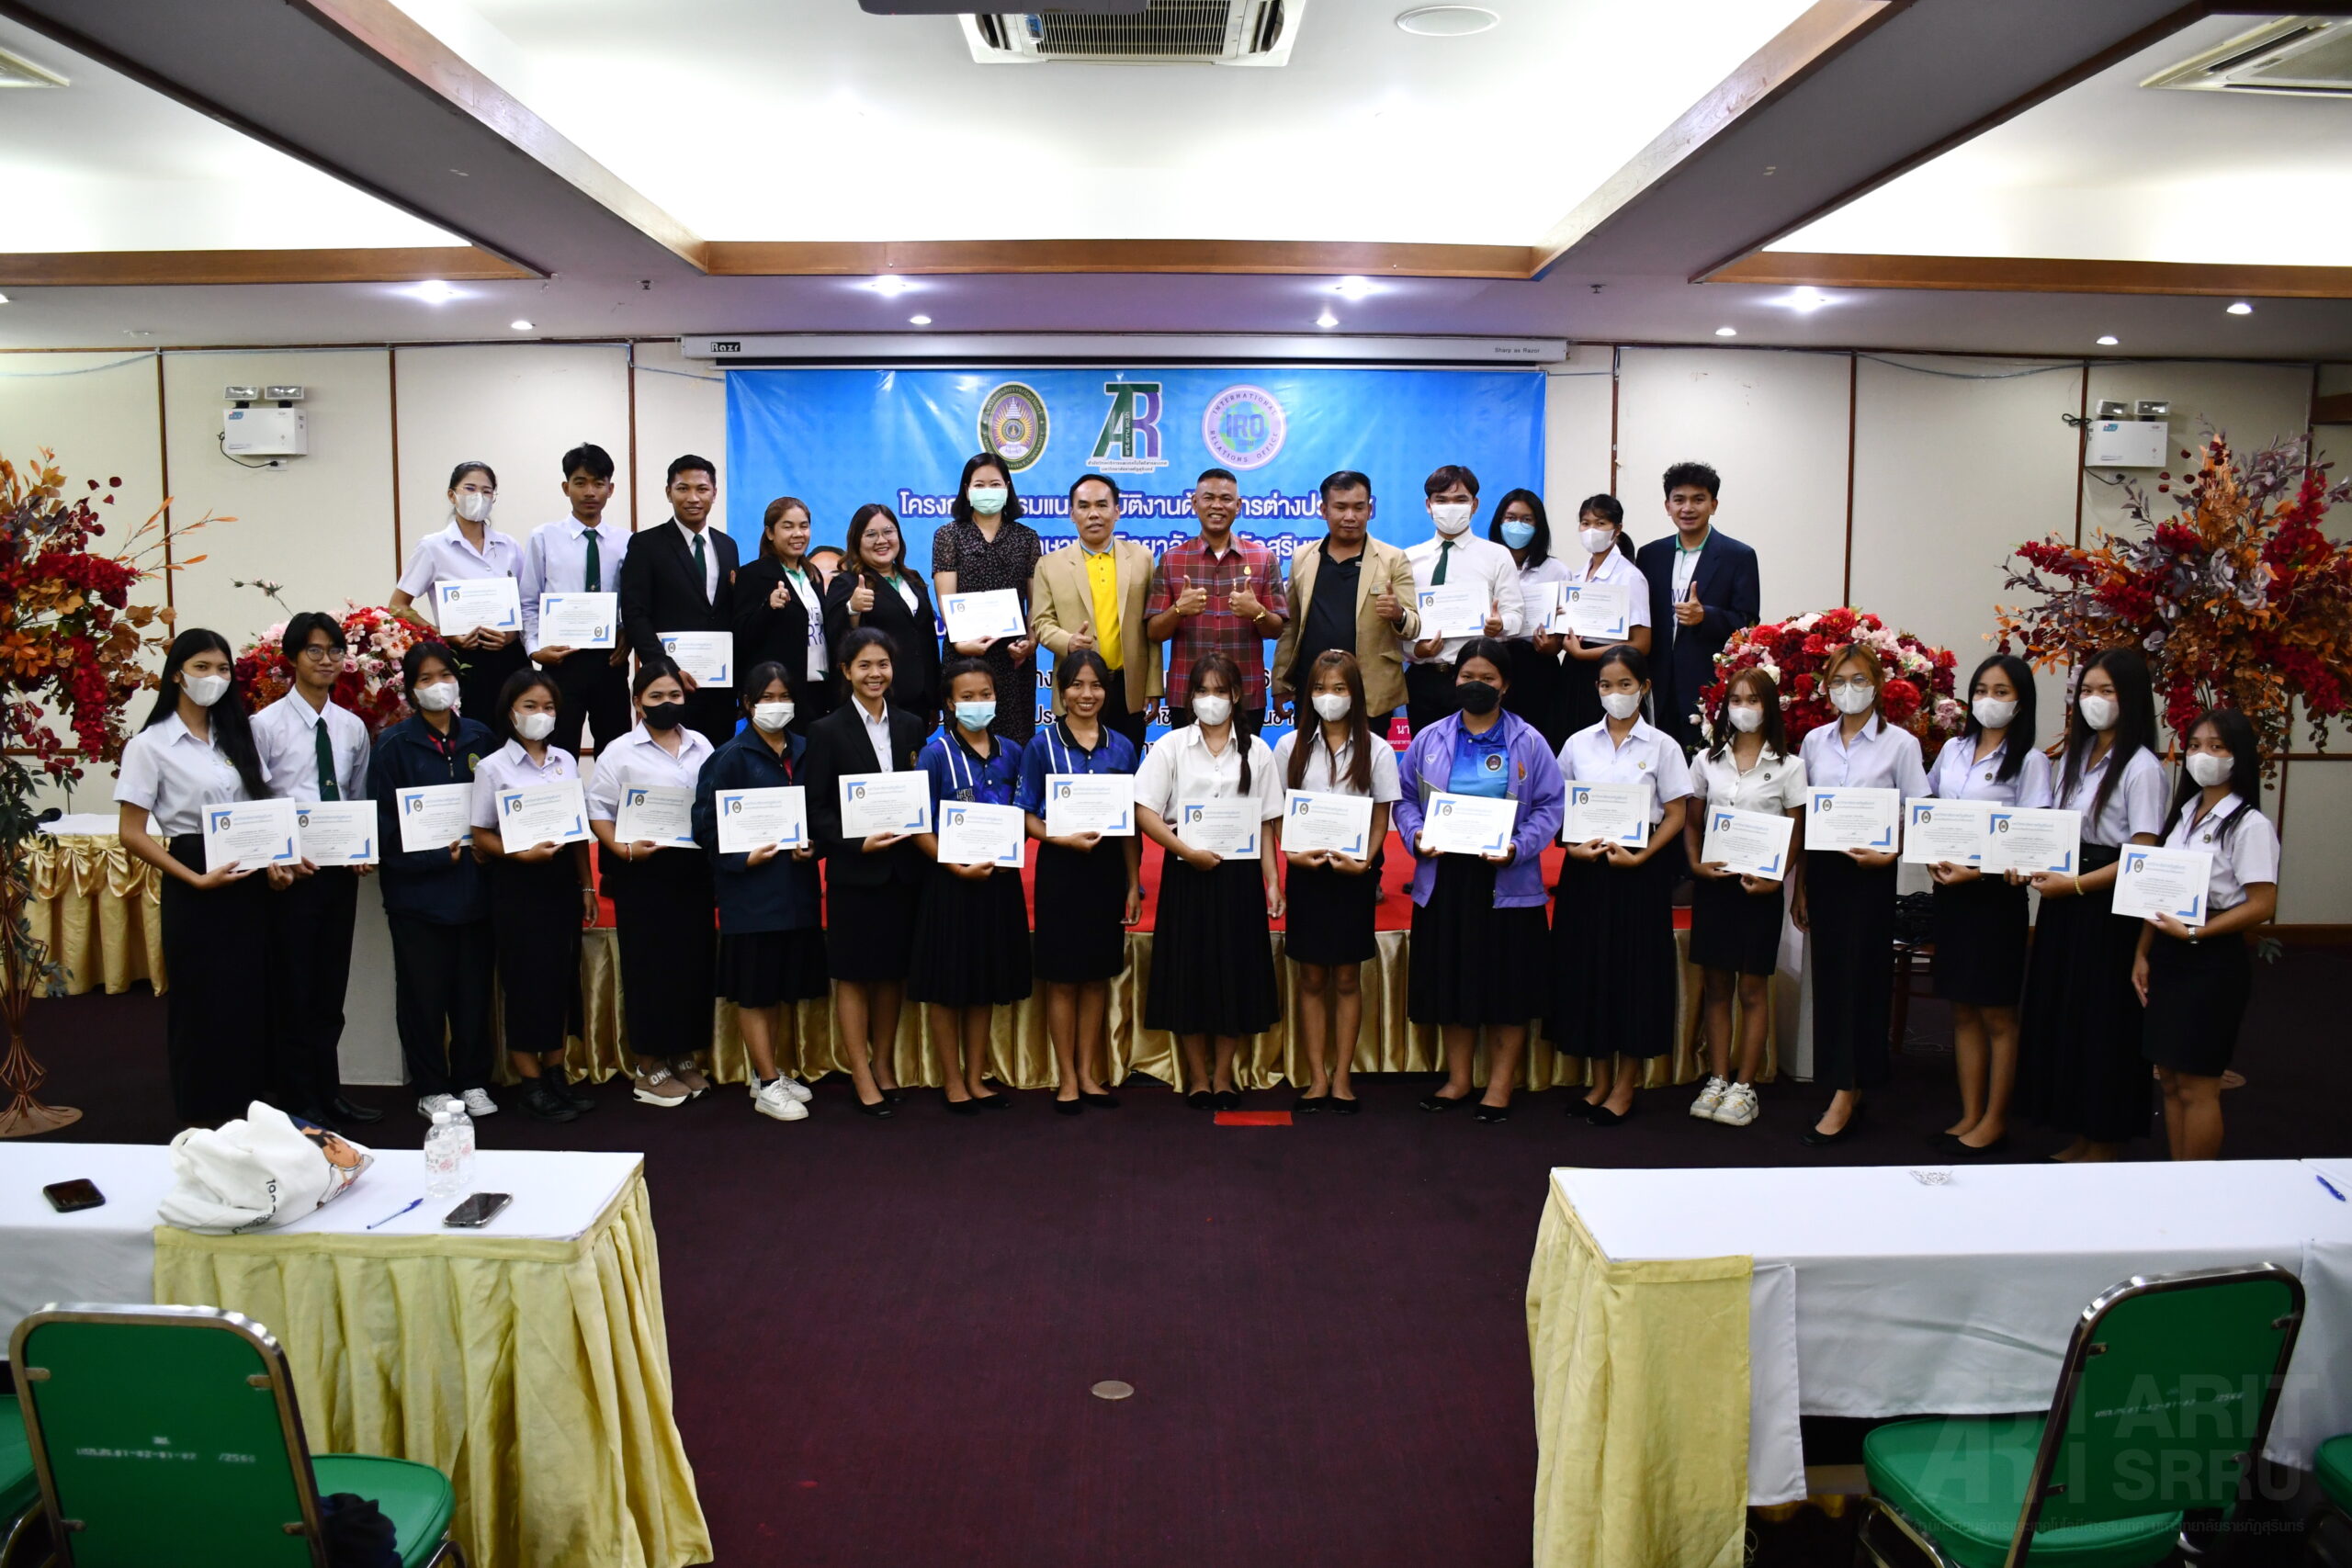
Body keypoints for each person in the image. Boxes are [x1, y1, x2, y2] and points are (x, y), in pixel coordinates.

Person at [114, 628, 283, 1126]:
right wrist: (194, 878)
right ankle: (202, 1114)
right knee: (202, 1000)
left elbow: (261, 808)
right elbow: (131, 833)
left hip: (248, 879)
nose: (214, 677)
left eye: (223, 669)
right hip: (195, 878)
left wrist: (275, 861)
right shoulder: (150, 745)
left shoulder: (237, 735)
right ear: (177, 675)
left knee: (249, 996)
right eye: (202, 667)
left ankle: (248, 1108)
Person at [1392, 639, 1562, 1122]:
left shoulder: (1530, 741)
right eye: (1468, 676)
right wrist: (1416, 835)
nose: (1477, 685)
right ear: (1455, 679)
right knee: (1454, 984)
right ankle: (1459, 1080)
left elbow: (1551, 805)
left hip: (1506, 880)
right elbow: (1404, 799)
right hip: (1446, 878)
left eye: (1488, 678)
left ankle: (1500, 1086)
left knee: (1507, 988)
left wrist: (1518, 847)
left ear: (1505, 685)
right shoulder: (1430, 738)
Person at [2018, 649, 2166, 1161]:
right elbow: (2051, 829)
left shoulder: (2142, 768)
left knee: (2104, 1023)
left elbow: (2142, 856)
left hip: (2107, 908)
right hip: (2065, 900)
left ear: (2132, 698)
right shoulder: (2074, 758)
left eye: (2107, 691)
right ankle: (2080, 1131)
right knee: (2068, 1015)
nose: (2094, 701)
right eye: (2086, 691)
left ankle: (2104, 1140)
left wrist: (2078, 886)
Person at [1792, 642, 1928, 1145]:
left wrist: (1892, 855)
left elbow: (1920, 812)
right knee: (1830, 979)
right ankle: (1840, 1082)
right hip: (1825, 873)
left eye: (1859, 680)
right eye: (1838, 680)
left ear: (1877, 684)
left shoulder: (1901, 745)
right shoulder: (1814, 742)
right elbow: (1806, 818)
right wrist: (1801, 886)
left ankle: (1851, 1089)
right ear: (1826, 688)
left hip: (1870, 874)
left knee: (1864, 978)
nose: (1848, 689)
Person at [1135, 652, 1285, 1107]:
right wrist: (1185, 851)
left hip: (1239, 879)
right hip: (1188, 873)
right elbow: (1144, 810)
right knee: (1190, 975)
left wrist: (1272, 881)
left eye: (1220, 691)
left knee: (1234, 976)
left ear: (1236, 695)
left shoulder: (1257, 750)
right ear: (1190, 697)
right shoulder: (1171, 746)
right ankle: (1198, 1078)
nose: (1211, 699)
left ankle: (1223, 1076)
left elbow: (1266, 821)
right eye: (1202, 691)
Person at [1552, 645, 1692, 1124]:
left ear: (1644, 687)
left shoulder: (1663, 746)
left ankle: (1625, 1086)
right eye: (1607, 685)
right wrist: (1571, 846)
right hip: (1586, 869)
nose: (1616, 694)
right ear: (1596, 689)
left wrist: (1645, 856)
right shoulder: (1577, 744)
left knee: (1633, 975)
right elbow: (1559, 805)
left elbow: (1676, 813)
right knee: (1590, 970)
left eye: (1625, 685)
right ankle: (1598, 1083)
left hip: (1638, 871)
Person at [250, 612, 380, 1127]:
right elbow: (255, 801)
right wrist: (275, 854)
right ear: (292, 658)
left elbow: (357, 795)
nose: (327, 660)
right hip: (291, 876)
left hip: (338, 874)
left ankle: (329, 1092)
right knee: (295, 989)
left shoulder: (351, 727)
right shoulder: (264, 726)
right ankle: (296, 1096)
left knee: (331, 988)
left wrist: (363, 846)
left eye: (335, 651)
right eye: (315, 651)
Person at [1923, 652, 2051, 1156]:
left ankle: (1996, 1118)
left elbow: (2030, 837)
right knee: (1961, 1009)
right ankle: (1970, 1112)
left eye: (2001, 692)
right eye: (1981, 690)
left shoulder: (2031, 761)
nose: (1988, 700)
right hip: (1950, 894)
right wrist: (1930, 855)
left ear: (2021, 702)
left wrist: (1977, 871)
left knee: (1997, 1013)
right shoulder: (1953, 749)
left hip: (1996, 897)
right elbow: (1930, 810)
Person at [2136, 707, 2278, 1162]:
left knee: (2198, 1084)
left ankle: (2198, 1184)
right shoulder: (2183, 814)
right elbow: (2156, 888)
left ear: (2239, 756)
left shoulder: (2249, 824)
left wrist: (2198, 932)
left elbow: (2262, 903)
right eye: (2195, 746)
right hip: (2168, 952)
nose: (2203, 755)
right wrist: (2142, 953)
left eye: (2217, 747)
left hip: (2212, 959)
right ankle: (2178, 1176)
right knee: (2170, 1079)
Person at [801, 626, 931, 1117]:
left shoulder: (911, 725)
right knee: (854, 976)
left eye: (883, 664)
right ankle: (860, 1072)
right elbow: (816, 810)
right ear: (845, 671)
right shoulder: (826, 730)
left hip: (902, 870)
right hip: (855, 873)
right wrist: (857, 842)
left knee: (892, 974)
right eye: (864, 666)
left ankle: (884, 1063)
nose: (875, 674)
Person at [693, 662, 828, 1123]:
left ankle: (766, 1071)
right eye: (767, 698)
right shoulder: (729, 757)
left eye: (784, 696)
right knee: (754, 992)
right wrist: (741, 858)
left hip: (796, 891)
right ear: (748, 704)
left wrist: (815, 845)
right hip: (750, 895)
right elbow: (705, 826)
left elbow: (821, 813)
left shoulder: (807, 750)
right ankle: (768, 1084)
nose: (777, 705)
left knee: (778, 987)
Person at [369, 642, 498, 1121]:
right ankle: (431, 1087)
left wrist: (492, 846)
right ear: (410, 689)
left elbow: (500, 805)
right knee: (422, 997)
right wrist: (429, 857)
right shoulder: (393, 746)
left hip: (474, 889)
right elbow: (382, 829)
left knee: (473, 994)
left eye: (445, 675)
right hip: (417, 897)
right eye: (425, 679)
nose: (438, 686)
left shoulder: (481, 737)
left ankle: (472, 1080)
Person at [587, 660, 718, 1108]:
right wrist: (623, 850)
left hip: (692, 872)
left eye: (674, 695)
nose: (667, 703)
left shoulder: (701, 744)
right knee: (649, 967)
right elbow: (599, 811)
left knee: (690, 965)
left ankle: (681, 1054)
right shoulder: (619, 751)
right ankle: (648, 1064)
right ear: (638, 702)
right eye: (656, 696)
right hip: (641, 872)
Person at [469, 668, 599, 1122]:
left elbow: (578, 830)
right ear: (510, 711)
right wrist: (519, 854)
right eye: (530, 706)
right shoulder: (493, 767)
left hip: (561, 882)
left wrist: (587, 885)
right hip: (517, 885)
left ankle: (556, 1073)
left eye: (548, 707)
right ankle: (531, 1083)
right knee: (526, 982)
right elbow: (480, 834)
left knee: (561, 980)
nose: (540, 714)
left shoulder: (565, 760)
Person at [1273, 651, 1399, 1114]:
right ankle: (1317, 1078)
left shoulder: (1378, 749)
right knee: (1310, 976)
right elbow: (1277, 810)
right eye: (1321, 688)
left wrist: (1366, 862)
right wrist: (1290, 852)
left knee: (1347, 976)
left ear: (1356, 694)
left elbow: (1382, 812)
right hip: (1306, 873)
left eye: (1340, 689)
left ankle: (1343, 1078)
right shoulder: (1289, 746)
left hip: (1352, 876)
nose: (1330, 697)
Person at [1016, 649, 1141, 1113]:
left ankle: (1088, 1074)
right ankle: (1066, 1077)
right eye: (1076, 685)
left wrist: (1133, 883)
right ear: (1061, 691)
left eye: (1096, 685)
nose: (1087, 695)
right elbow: (1025, 813)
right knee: (1064, 979)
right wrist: (1060, 837)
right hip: (1061, 870)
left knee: (1095, 978)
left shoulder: (1122, 747)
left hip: (1106, 871)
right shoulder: (1041, 746)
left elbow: (1129, 824)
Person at [1680, 668, 1804, 1128]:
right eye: (1736, 699)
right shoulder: (1707, 760)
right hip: (1715, 886)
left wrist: (1778, 879)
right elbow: (1692, 820)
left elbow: (1797, 830)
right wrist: (1695, 865)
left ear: (1769, 706)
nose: (1744, 708)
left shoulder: (1789, 766)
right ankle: (1717, 1078)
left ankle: (1744, 1086)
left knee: (1752, 989)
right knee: (1716, 987)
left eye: (1754, 699)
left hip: (1759, 891)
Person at [908, 659, 1032, 1112]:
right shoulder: (934, 754)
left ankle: (977, 1078)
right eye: (967, 697)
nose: (978, 703)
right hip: (951, 885)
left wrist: (1011, 850)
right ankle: (953, 1081)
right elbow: (918, 825)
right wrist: (955, 865)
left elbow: (1024, 812)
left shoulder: (1013, 752)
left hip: (999, 884)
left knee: (984, 983)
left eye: (985, 695)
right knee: (949, 986)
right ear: (949, 703)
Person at [1272, 469, 1419, 730]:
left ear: (1369, 510)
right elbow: (1290, 626)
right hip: (1312, 687)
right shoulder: (1303, 557)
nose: (1350, 516)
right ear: (1324, 510)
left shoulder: (1393, 559)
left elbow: (1414, 626)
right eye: (1341, 507)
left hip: (1369, 691)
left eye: (1359, 507)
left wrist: (1399, 614)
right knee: (1308, 756)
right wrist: (1281, 682)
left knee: (1366, 757)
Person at [1145, 468, 1286, 736]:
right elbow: (1154, 632)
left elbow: (1277, 629)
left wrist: (1257, 613)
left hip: (1245, 693)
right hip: (1188, 693)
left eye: (1226, 498)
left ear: (1238, 505)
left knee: (1245, 761)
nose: (1217, 506)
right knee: (1188, 764)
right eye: (1209, 498)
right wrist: (1178, 610)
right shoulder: (1172, 559)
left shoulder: (1263, 558)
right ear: (1194, 503)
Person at [1634, 463, 1760, 750]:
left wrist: (1706, 616)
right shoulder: (1650, 554)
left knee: (1702, 764)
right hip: (1656, 682)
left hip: (1706, 683)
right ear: (1667, 506)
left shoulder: (1738, 556)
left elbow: (1749, 623)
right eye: (1679, 500)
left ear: (1713, 505)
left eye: (1698, 499)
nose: (1687, 508)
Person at [518, 441, 633, 756]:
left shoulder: (627, 541)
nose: (590, 492)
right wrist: (535, 649)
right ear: (566, 487)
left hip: (610, 660)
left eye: (599, 483)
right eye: (580, 483)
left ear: (611, 489)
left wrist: (628, 634)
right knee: (558, 747)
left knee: (615, 748)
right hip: (561, 659)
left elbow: (633, 602)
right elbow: (528, 600)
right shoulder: (543, 537)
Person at [390, 459, 527, 722]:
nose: (479, 497)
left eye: (486, 491)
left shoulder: (509, 546)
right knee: (473, 730)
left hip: (510, 657)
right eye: (470, 489)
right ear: (452, 495)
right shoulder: (433, 547)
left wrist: (511, 636)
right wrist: (443, 634)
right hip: (463, 658)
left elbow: (526, 602)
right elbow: (398, 605)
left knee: (514, 728)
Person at [1029, 475, 1158, 751]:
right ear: (1072, 514)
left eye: (1102, 505)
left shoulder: (1142, 559)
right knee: (1074, 770)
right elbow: (1041, 621)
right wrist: (1068, 642)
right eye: (1084, 506)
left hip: (1127, 689)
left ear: (1117, 511)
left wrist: (1154, 687)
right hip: (1076, 688)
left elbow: (1152, 628)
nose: (1094, 514)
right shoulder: (1050, 565)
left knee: (1125, 768)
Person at [617, 454, 740, 747]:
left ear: (714, 493)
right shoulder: (646, 544)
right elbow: (635, 614)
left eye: (702, 489)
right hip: (670, 686)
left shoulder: (727, 545)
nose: (693, 498)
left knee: (718, 761)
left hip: (720, 688)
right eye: (683, 488)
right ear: (668, 492)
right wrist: (666, 669)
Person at [1401, 465, 1520, 734]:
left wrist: (1500, 625)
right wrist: (1416, 651)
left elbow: (1516, 615)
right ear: (1428, 505)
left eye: (1460, 500)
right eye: (1441, 500)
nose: (1450, 507)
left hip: (1478, 680)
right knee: (1428, 752)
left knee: (1479, 750)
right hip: (1424, 680)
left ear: (1474, 505)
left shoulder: (1497, 556)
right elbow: (1399, 626)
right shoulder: (1408, 559)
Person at [933, 454, 1043, 744]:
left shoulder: (1027, 538)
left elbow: (1036, 601)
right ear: (967, 490)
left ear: (1007, 487)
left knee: (1015, 739)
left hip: (1013, 655)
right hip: (964, 653)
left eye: (995, 484)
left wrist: (1031, 642)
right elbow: (946, 598)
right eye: (979, 485)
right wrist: (961, 643)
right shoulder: (948, 536)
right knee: (965, 739)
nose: (987, 491)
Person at [822, 503, 940, 725]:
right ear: (856, 541)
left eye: (888, 532)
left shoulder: (913, 580)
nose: (881, 540)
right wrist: (852, 609)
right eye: (871, 535)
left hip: (920, 704)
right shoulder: (846, 583)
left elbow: (927, 641)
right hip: (877, 699)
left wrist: (934, 699)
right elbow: (835, 638)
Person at [732, 495, 836, 738]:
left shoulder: (813, 575)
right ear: (770, 532)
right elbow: (741, 636)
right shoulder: (753, 574)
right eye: (788, 527)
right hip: (781, 692)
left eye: (804, 526)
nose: (798, 534)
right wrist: (768, 608)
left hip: (819, 689)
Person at [1555, 494, 1654, 739]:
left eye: (1600, 524)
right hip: (1573, 671)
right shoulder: (1578, 577)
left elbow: (1642, 644)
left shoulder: (1629, 577)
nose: (1591, 531)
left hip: (1611, 671)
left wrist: (1583, 654)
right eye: (1585, 523)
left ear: (1617, 529)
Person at [1488, 489, 1577, 750]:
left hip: (1537, 666)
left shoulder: (1557, 571)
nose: (1517, 525)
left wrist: (1552, 646)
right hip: (1491, 662)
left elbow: (1566, 630)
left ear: (1539, 526)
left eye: (1527, 519)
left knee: (1535, 743)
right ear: (1499, 522)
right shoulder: (1484, 564)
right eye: (1510, 518)